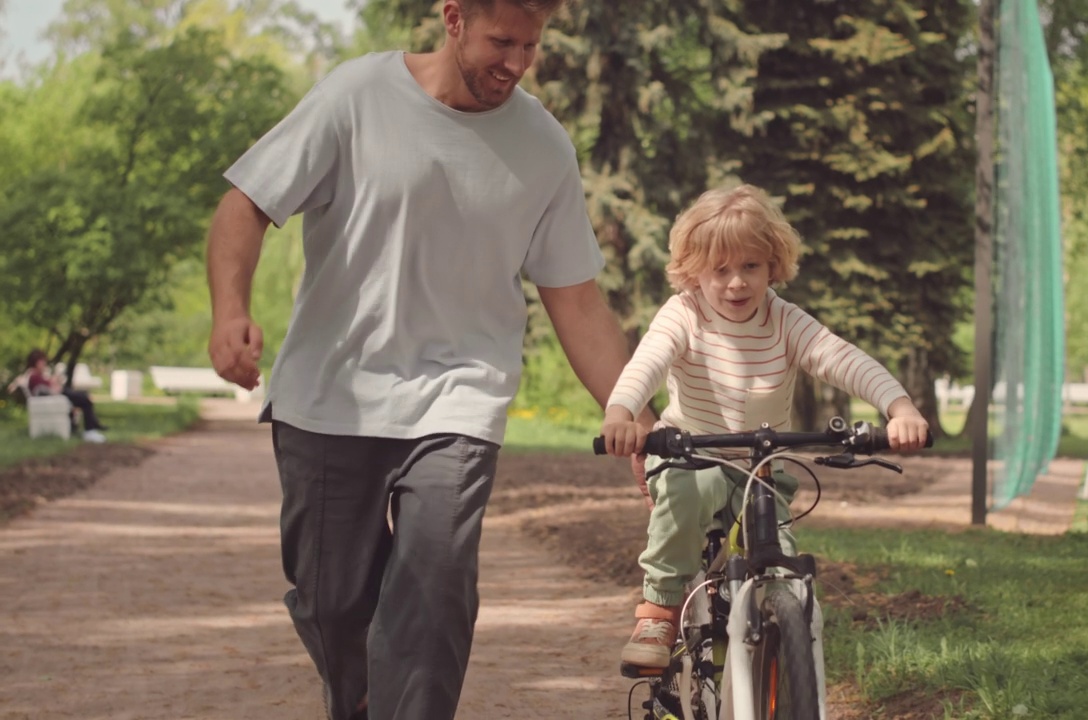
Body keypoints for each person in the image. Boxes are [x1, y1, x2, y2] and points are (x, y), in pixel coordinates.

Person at [204, 1, 653, 717]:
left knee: (435, 588)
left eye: (531, 46)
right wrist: (230, 311)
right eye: (501, 41)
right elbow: (246, 203)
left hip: (459, 396)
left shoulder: (542, 145)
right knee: (331, 602)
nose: (516, 63)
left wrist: (631, 407)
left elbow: (577, 300)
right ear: (452, 18)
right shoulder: (356, 97)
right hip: (331, 394)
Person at [598, 184, 932, 668]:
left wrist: (899, 408)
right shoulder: (684, 315)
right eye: (720, 270)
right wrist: (621, 414)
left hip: (762, 467)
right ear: (694, 272)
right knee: (693, 492)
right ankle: (660, 608)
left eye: (750, 266)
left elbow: (843, 360)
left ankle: (782, 655)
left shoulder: (783, 320)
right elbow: (645, 364)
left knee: (782, 568)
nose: (736, 283)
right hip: (690, 456)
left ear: (772, 265)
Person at [15, 350, 107, 443]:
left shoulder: (36, 375)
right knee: (84, 398)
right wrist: (54, 382)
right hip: (57, 397)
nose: (44, 364)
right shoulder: (34, 376)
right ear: (36, 362)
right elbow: (50, 388)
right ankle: (90, 430)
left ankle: (92, 426)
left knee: (85, 397)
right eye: (42, 362)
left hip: (56, 397)